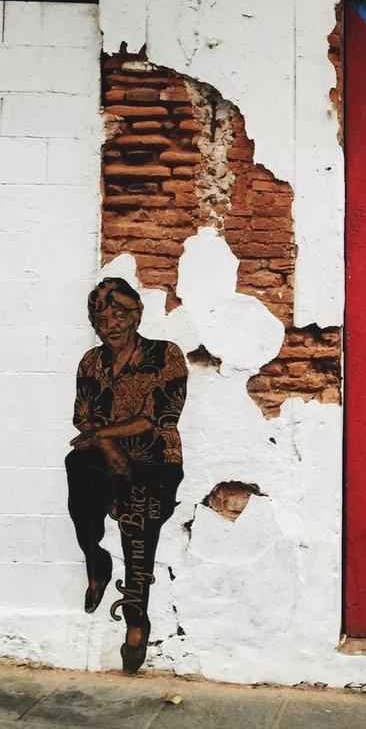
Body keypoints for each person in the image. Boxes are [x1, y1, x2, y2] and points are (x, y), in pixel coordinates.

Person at [65, 278, 187, 675]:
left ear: (136, 315)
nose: (111, 324)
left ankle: (137, 619)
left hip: (155, 460)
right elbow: (82, 418)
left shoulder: (165, 355)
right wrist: (105, 446)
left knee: (138, 525)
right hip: (104, 456)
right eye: (102, 318)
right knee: (76, 466)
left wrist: (101, 435)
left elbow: (156, 418)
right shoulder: (90, 362)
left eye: (120, 314)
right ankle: (95, 559)